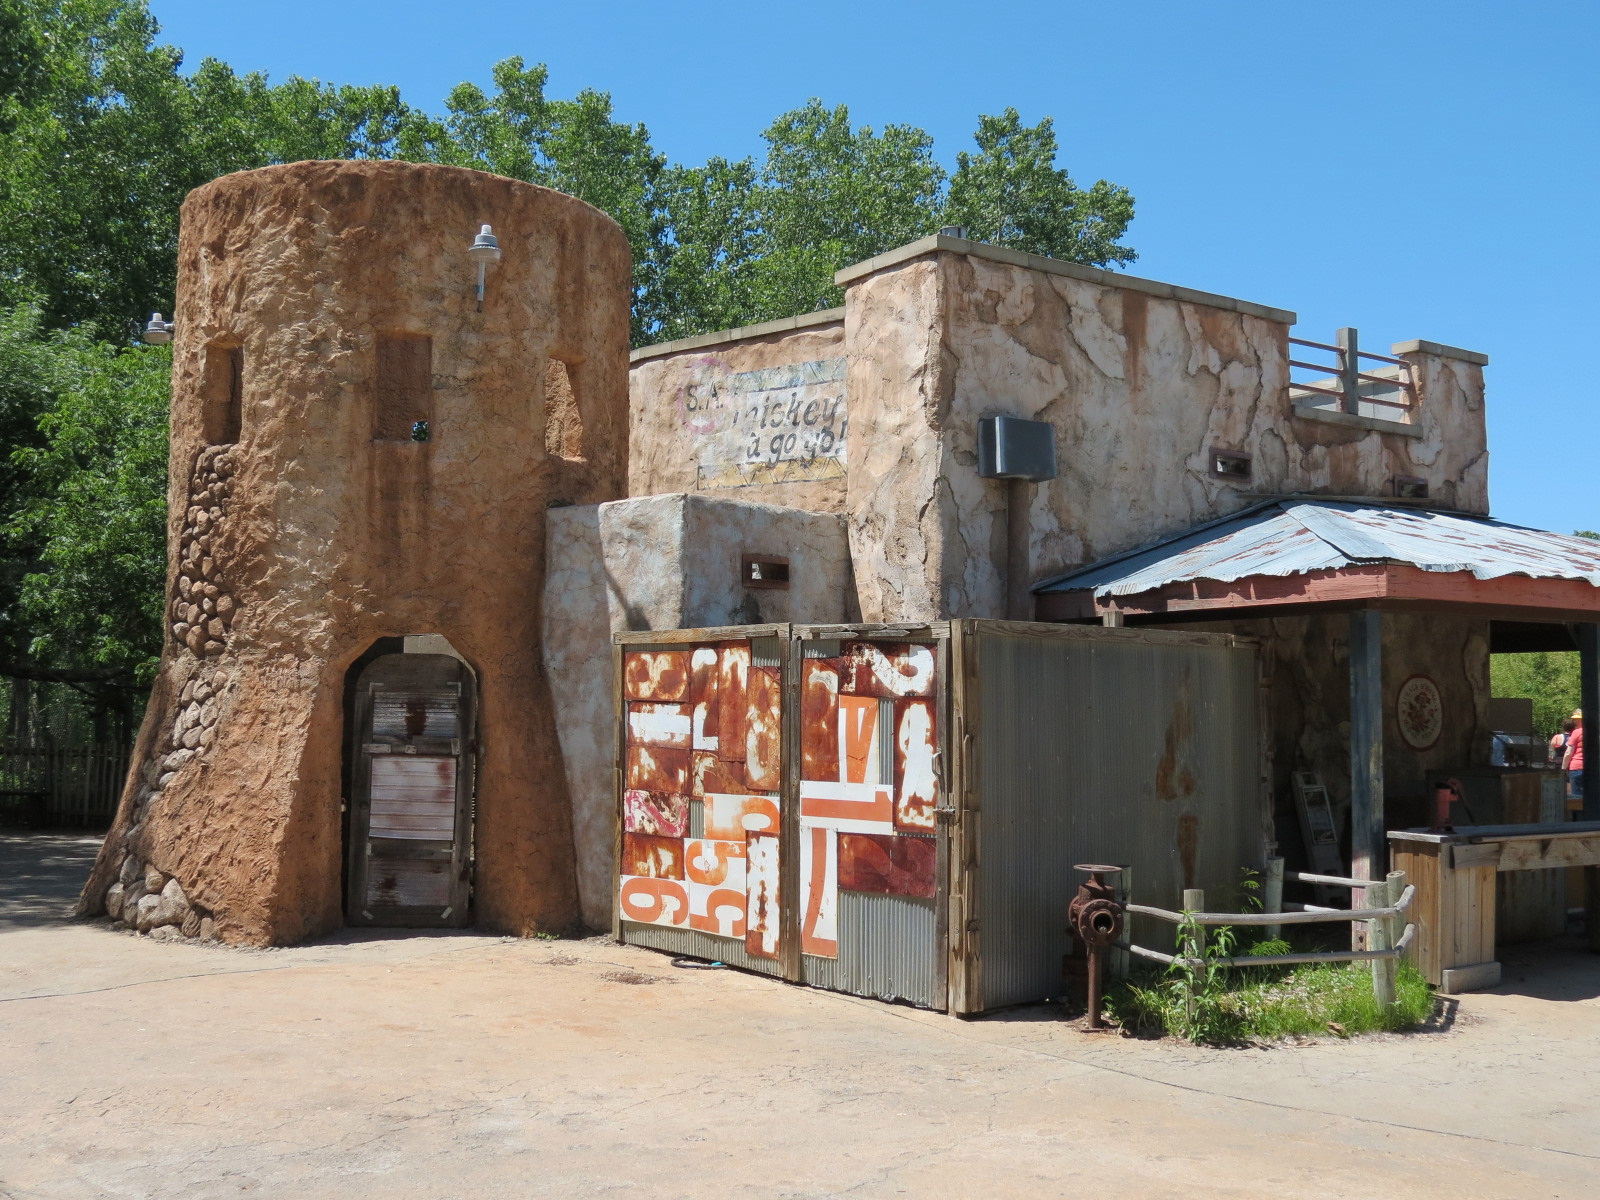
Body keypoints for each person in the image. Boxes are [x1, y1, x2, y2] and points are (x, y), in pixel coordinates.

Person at [1562, 709, 1585, 806]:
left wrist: (1563, 768)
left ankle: (1578, 819)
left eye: (1577, 719)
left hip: (1576, 768)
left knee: (1576, 798)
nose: (1575, 721)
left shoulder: (1576, 732)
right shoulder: (1595, 731)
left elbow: (1568, 752)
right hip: (1592, 768)